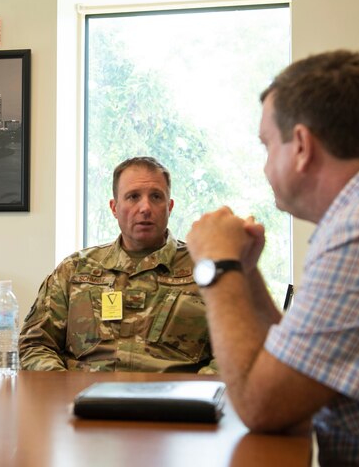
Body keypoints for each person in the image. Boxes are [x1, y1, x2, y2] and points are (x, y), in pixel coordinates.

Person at [186, 50, 359, 465]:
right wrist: (245, 270)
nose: (265, 167)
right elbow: (293, 377)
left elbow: (260, 405)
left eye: (267, 145)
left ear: (301, 146)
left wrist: (216, 265)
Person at [20, 156, 215, 373]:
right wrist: (64, 386)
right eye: (133, 197)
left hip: (175, 393)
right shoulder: (75, 270)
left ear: (169, 207)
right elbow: (35, 345)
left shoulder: (206, 272)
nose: (145, 207)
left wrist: (199, 388)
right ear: (114, 207)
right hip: (84, 391)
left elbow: (236, 352)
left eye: (156, 197)